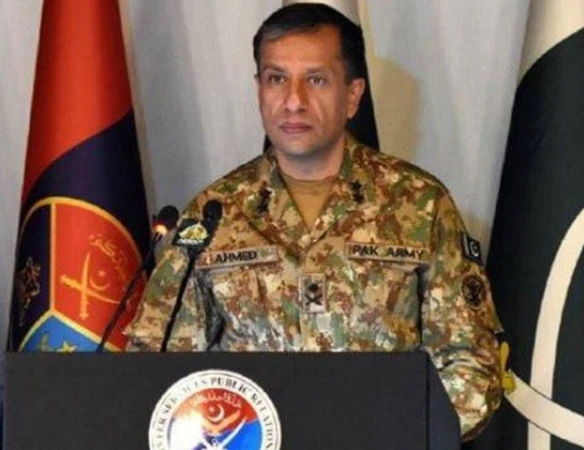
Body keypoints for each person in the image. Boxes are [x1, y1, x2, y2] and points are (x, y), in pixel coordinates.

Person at [126, 2, 503, 441]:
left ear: (353, 95)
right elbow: (155, 363)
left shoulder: (420, 204)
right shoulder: (215, 213)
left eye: (316, 80)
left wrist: (387, 434)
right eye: (277, 79)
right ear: (259, 89)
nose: (293, 101)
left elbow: (471, 365)